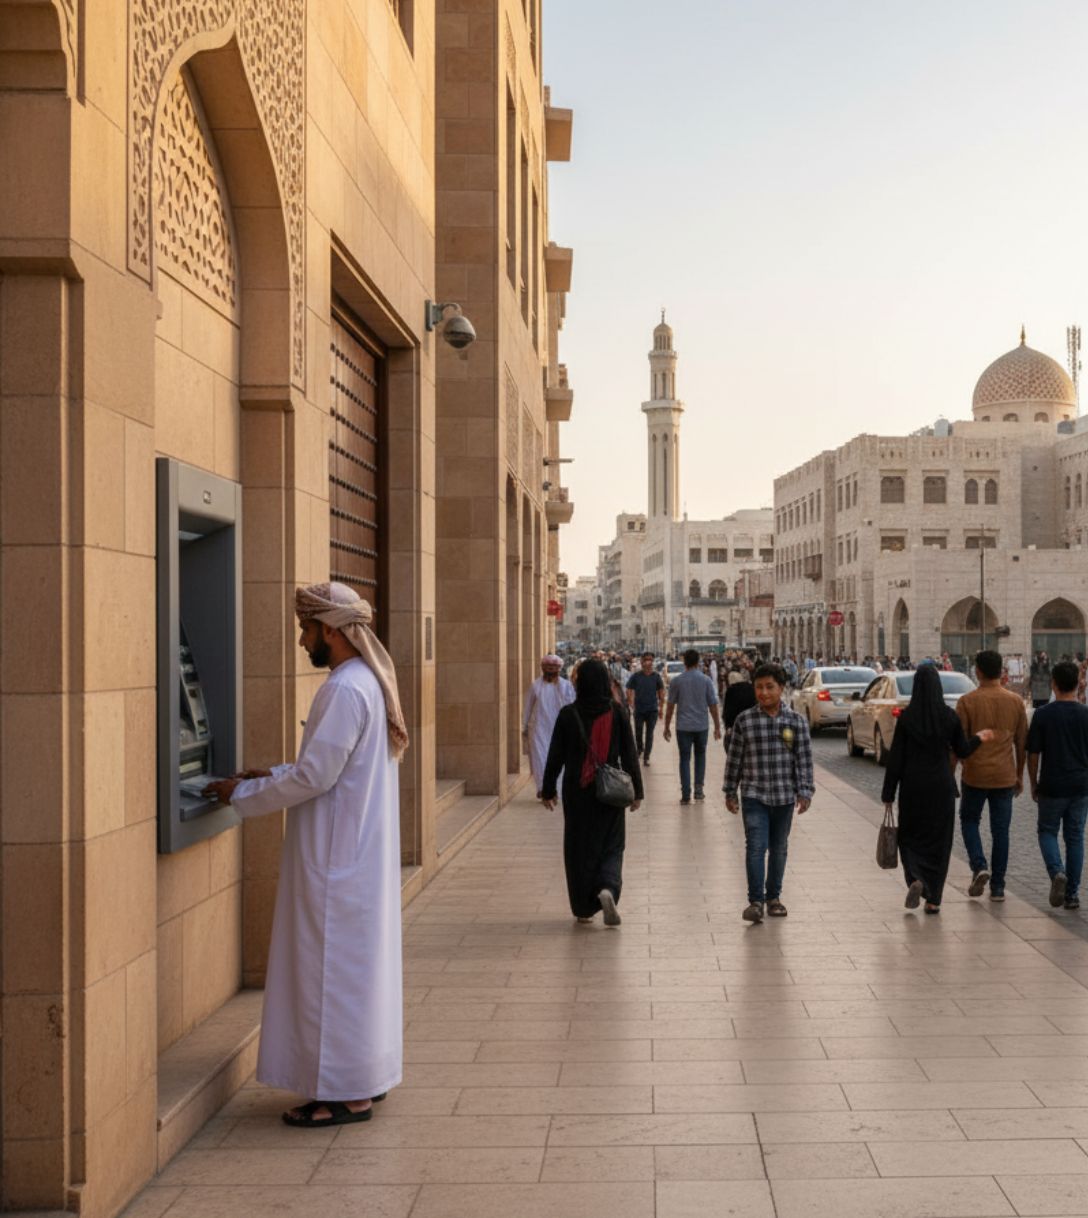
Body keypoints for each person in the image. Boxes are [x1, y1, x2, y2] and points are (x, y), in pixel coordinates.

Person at [202, 582, 407, 1127]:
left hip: (337, 861)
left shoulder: (345, 689)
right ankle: (363, 1076)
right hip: (351, 855)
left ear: (333, 631)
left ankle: (343, 1094)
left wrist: (242, 793)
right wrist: (268, 774)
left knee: (330, 974)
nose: (301, 640)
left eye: (307, 628)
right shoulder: (364, 682)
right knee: (355, 974)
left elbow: (318, 775)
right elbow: (330, 766)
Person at [881, 664, 993, 915]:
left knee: (909, 837)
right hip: (941, 786)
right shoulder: (949, 717)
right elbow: (962, 750)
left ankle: (915, 880)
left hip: (912, 787)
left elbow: (896, 759)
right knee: (939, 841)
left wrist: (888, 794)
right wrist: (980, 738)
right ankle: (934, 899)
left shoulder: (907, 718)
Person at [540, 659, 643, 926]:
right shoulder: (617, 712)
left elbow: (555, 756)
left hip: (577, 791)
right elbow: (630, 755)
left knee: (578, 848)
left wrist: (548, 789)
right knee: (612, 844)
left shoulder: (568, 714)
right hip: (609, 792)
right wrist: (637, 792)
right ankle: (608, 887)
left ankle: (584, 908)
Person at [723, 663, 813, 923]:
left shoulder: (795, 722)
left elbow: (804, 759)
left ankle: (774, 897)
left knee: (779, 848)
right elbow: (735, 760)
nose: (764, 693)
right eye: (759, 687)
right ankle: (755, 901)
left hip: (784, 796)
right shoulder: (745, 720)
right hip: (754, 795)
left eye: (769, 687)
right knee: (755, 846)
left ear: (781, 688)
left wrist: (805, 790)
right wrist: (730, 791)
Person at [956, 650, 1028, 903]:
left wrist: (963, 764)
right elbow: (1021, 743)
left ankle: (979, 865)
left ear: (978, 671)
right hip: (1004, 775)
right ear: (1002, 671)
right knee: (1001, 831)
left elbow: (960, 742)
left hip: (975, 774)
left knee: (968, 820)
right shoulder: (1016, 701)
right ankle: (998, 886)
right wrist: (1019, 775)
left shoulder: (967, 702)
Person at [1026, 660, 1088, 911]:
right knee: (1075, 838)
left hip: (1052, 784)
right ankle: (1072, 894)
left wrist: (1033, 782)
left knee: (1047, 832)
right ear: (1078, 684)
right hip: (1081, 785)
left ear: (1054, 684)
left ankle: (1056, 873)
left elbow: (1033, 754)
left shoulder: (1043, 715)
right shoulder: (1086, 714)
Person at [663, 648, 722, 804]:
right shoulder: (706, 681)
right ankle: (699, 790)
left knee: (684, 758)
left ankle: (686, 793)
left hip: (683, 727)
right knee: (700, 756)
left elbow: (670, 706)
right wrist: (717, 726)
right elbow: (713, 706)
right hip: (701, 726)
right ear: (698, 662)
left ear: (684, 662)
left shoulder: (677, 681)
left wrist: (666, 726)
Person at [522, 654, 576, 797]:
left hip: (560, 728)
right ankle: (541, 788)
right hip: (539, 728)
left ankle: (554, 789)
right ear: (543, 669)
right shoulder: (536, 686)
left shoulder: (566, 686)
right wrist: (524, 726)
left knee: (559, 759)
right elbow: (527, 707)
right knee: (540, 759)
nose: (551, 671)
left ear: (558, 669)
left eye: (553, 668)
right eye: (548, 668)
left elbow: (573, 706)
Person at [626, 651, 665, 764]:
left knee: (649, 734)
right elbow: (628, 688)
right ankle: (639, 749)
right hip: (639, 710)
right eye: (646, 660)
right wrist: (630, 701)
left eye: (650, 660)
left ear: (652, 662)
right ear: (642, 662)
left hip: (652, 710)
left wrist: (661, 708)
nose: (648, 662)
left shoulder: (656, 677)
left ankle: (646, 756)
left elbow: (661, 693)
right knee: (638, 732)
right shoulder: (636, 676)